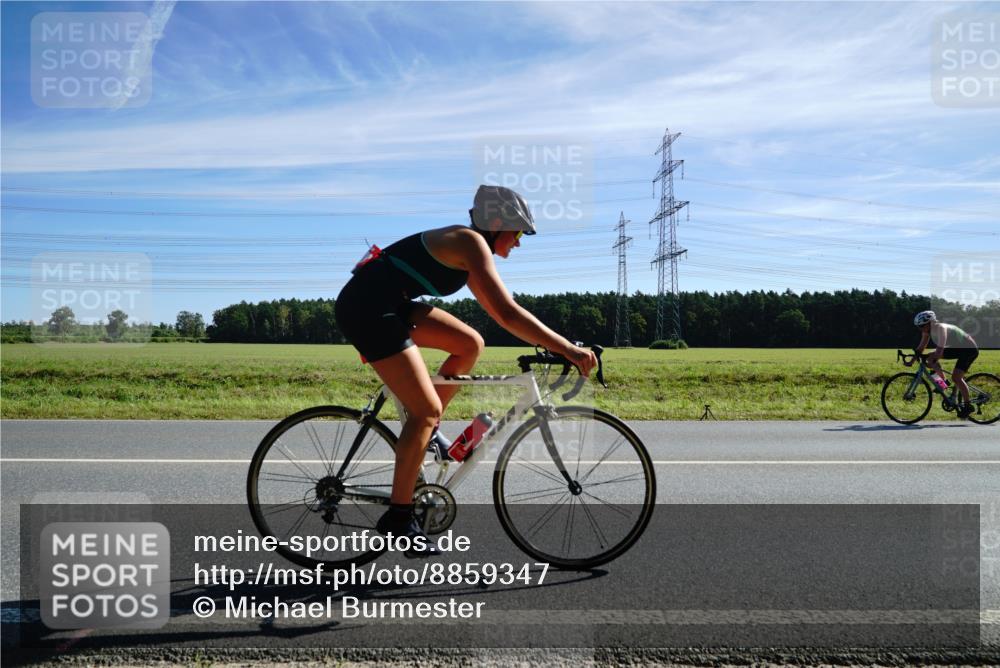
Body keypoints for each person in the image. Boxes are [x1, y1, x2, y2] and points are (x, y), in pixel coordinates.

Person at [335, 185, 597, 556]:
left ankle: (428, 432)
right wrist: (568, 349)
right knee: (424, 410)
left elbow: (501, 313)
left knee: (469, 344)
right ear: (496, 224)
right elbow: (507, 313)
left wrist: (560, 346)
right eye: (518, 233)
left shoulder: (473, 247)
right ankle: (398, 517)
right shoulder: (470, 243)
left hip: (389, 303)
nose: (519, 243)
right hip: (367, 309)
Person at [907, 310, 979, 419]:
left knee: (956, 377)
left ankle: (968, 406)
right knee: (930, 358)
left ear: (930, 323)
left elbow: (939, 351)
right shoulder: (927, 331)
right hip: (958, 348)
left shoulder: (941, 328)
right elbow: (921, 348)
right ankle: (943, 383)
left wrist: (929, 359)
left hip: (969, 349)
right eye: (918, 326)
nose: (920, 329)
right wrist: (911, 361)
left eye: (922, 326)